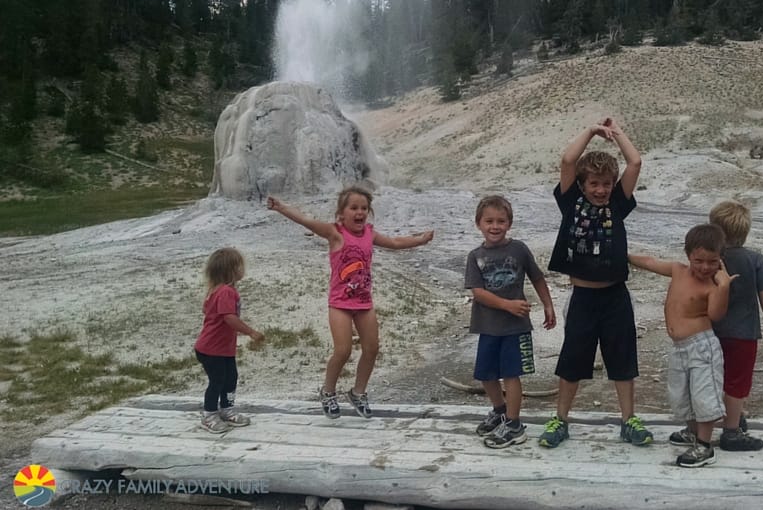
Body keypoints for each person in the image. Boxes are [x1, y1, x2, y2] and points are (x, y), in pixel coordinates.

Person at [267, 187, 433, 419]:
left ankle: (358, 392)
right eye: (353, 208)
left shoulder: (369, 233)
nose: (360, 212)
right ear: (341, 213)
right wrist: (281, 207)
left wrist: (420, 240)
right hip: (340, 303)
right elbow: (307, 221)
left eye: (364, 208)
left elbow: (395, 242)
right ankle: (327, 391)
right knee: (343, 350)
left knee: (372, 348)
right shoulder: (335, 233)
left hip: (364, 302)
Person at [539, 118, 654, 449]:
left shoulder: (618, 203)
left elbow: (635, 162)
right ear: (583, 183)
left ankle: (628, 420)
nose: (601, 190)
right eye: (595, 184)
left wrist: (617, 134)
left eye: (606, 183)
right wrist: (590, 131)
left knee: (622, 360)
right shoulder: (570, 202)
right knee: (572, 360)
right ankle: (560, 419)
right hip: (583, 299)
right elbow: (567, 161)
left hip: (616, 297)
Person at [628, 224, 736, 467]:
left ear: (720, 259)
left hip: (702, 347)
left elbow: (716, 315)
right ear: (688, 255)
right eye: (699, 261)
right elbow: (650, 262)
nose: (705, 267)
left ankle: (705, 446)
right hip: (679, 347)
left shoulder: (713, 286)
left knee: (703, 394)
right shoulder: (678, 271)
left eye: (712, 262)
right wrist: (624, 256)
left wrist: (725, 287)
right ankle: (692, 431)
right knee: (681, 394)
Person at [465, 195, 556, 448]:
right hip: (487, 326)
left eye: (501, 221)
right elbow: (478, 292)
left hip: (516, 327)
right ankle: (500, 410)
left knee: (511, 374)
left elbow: (537, 277)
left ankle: (514, 425)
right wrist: (506, 304)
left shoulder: (519, 249)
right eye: (489, 221)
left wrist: (548, 304)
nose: (495, 226)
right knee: (486, 374)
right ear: (478, 224)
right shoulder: (475, 256)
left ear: (510, 223)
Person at [703, 200, 763, 451]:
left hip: (709, 329)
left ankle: (698, 426)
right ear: (745, 231)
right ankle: (732, 431)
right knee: (736, 382)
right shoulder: (756, 259)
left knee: (710, 378)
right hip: (743, 334)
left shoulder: (709, 260)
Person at [193, 247, 265, 434]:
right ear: (231, 270)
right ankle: (209, 414)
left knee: (230, 378)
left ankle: (226, 408)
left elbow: (208, 312)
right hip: (211, 348)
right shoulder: (225, 292)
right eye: (240, 266)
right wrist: (251, 332)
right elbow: (229, 318)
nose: (243, 270)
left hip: (221, 348)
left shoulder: (216, 290)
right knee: (217, 381)